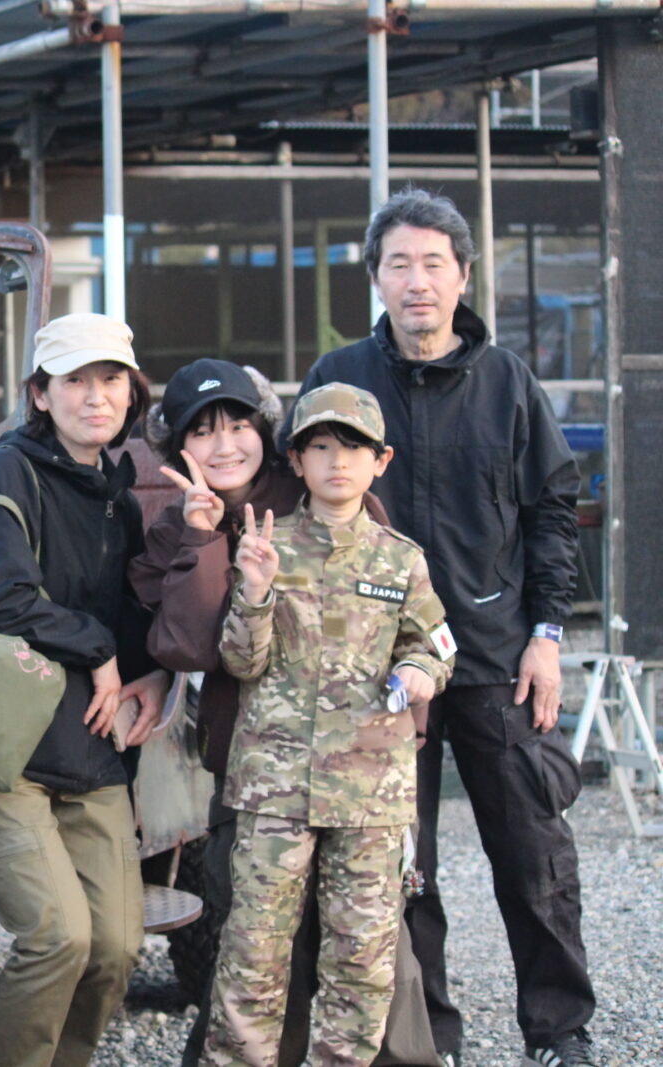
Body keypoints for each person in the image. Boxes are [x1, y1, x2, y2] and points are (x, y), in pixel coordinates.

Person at [298, 188, 593, 1067]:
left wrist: (547, 633)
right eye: (399, 263)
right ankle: (427, 1042)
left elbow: (553, 511)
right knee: (398, 863)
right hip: (374, 665)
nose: (417, 281)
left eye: (434, 263)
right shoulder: (340, 379)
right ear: (376, 278)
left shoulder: (509, 383)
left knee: (534, 853)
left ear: (464, 274)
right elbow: (297, 504)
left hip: (497, 657)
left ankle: (559, 1031)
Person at [129, 359, 420, 1067]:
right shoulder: (172, 528)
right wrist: (203, 540)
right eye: (203, 432)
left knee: (375, 952)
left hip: (357, 776)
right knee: (255, 945)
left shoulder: (321, 489)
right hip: (256, 774)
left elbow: (401, 623)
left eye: (238, 425)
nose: (225, 445)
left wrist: (400, 742)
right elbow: (193, 646)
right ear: (178, 448)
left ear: (268, 434)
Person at [0, 311, 170, 1067]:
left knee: (116, 946)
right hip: (2, 747)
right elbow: (0, 597)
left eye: (111, 380)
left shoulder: (118, 498)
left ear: (131, 394)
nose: (95, 397)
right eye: (75, 381)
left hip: (89, 745)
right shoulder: (9, 471)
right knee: (58, 937)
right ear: (40, 394)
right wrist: (96, 647)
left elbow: (135, 620)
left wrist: (154, 670)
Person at [204, 382, 455, 1067]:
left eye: (354, 448)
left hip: (370, 792)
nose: (337, 461)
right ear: (296, 459)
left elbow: (435, 644)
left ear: (381, 460)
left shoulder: (401, 558)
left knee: (363, 959)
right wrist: (255, 591)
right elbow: (239, 660)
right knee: (252, 952)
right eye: (320, 447)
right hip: (275, 789)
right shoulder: (266, 545)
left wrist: (419, 670)